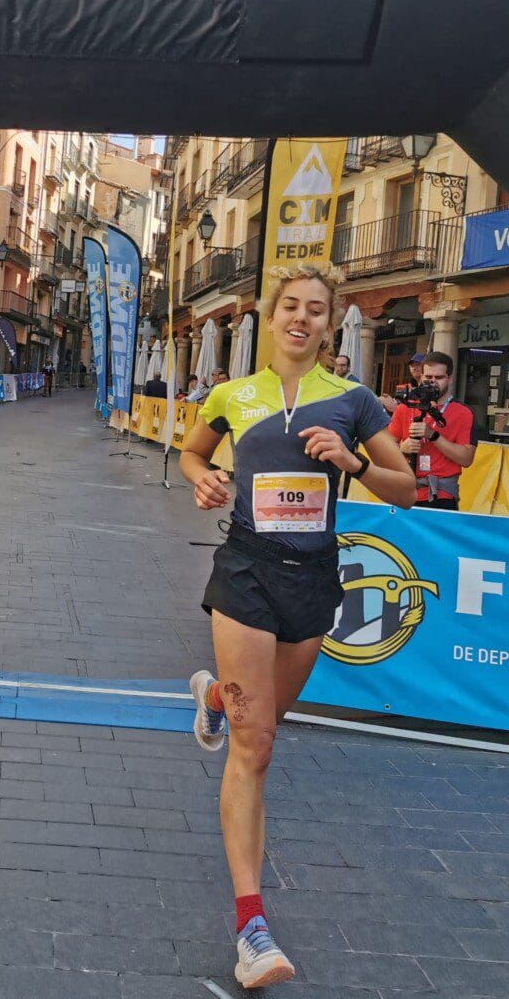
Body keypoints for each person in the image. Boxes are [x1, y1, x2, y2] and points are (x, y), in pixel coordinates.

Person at [178, 264, 415, 990]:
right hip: (246, 569)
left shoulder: (354, 399)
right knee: (254, 750)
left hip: (313, 582)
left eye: (317, 310)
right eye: (291, 306)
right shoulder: (232, 394)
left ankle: (215, 698)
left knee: (261, 723)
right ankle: (252, 928)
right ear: (272, 315)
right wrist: (203, 478)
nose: (302, 319)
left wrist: (353, 463)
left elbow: (406, 489)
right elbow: (191, 451)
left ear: (329, 323)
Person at [388, 350, 476, 509]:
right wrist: (401, 448)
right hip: (405, 491)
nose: (433, 382)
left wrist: (433, 436)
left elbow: (466, 459)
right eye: (428, 377)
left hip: (441, 494)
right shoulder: (404, 408)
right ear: (421, 377)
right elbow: (384, 451)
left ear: (449, 378)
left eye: (439, 377)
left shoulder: (463, 412)